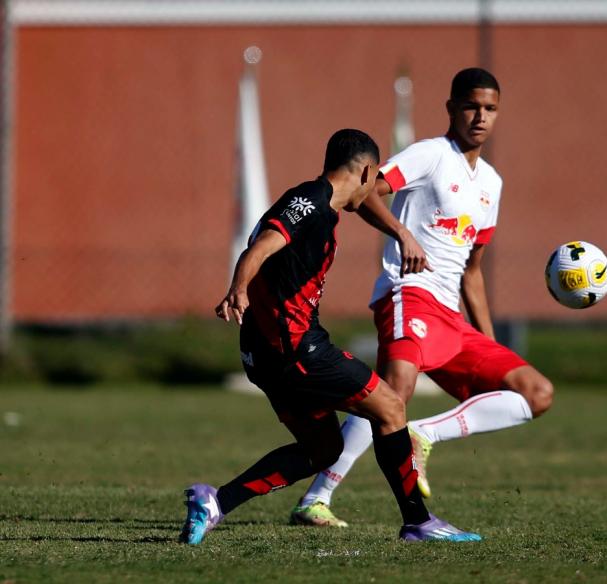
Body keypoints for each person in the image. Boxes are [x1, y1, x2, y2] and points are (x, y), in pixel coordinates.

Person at [178, 129, 480, 544]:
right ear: (368, 171)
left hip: (263, 355)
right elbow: (264, 245)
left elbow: (276, 241)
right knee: (390, 407)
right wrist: (239, 287)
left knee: (322, 450)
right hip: (298, 350)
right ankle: (419, 521)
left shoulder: (314, 201)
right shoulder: (314, 207)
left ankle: (216, 502)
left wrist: (401, 234)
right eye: (374, 182)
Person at [291, 69, 554, 528]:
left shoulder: (491, 183)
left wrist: (489, 342)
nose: (480, 116)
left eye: (490, 109)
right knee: (393, 393)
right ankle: (319, 497)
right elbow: (365, 192)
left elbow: (472, 271)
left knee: (536, 393)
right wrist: (402, 233)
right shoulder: (431, 155)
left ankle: (422, 434)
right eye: (471, 106)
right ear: (451, 108)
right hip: (407, 295)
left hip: (451, 317)